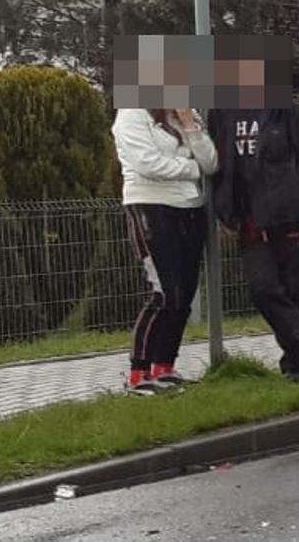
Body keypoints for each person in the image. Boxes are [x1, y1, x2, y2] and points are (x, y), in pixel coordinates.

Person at [206, 101, 299, 382]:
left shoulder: (287, 110)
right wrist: (225, 211)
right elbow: (217, 165)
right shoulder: (221, 113)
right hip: (250, 224)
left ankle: (296, 367)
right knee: (263, 290)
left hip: (293, 218)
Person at [111, 107, 218, 395]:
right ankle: (137, 373)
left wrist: (189, 126)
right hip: (150, 205)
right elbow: (148, 164)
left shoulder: (187, 114)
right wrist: (192, 169)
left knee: (184, 295)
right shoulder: (132, 114)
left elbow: (210, 161)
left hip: (190, 207)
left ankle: (164, 366)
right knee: (164, 293)